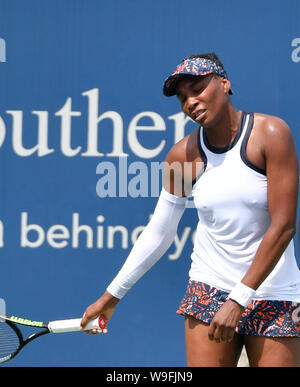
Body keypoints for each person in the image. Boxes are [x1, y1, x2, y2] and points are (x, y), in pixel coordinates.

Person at [80, 53, 300, 367]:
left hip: (274, 290)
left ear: (224, 83)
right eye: (183, 97)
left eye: (197, 88)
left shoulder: (272, 134)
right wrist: (110, 296)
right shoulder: (181, 157)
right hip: (209, 289)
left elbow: (284, 226)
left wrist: (240, 297)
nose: (190, 101)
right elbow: (159, 232)